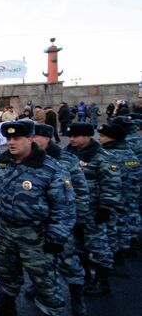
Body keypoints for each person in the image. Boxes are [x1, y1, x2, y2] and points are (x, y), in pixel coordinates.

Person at [0, 120, 75, 316]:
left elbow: (64, 206)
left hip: (37, 236)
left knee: (45, 284)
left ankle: (53, 310)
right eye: (8, 138)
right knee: (6, 278)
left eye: (17, 138)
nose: (11, 142)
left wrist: (56, 237)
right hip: (4, 232)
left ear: (31, 138)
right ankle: (8, 307)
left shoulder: (50, 168)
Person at [31, 123, 89, 315]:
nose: (31, 141)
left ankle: (77, 299)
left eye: (35, 137)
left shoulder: (67, 160)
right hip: (38, 223)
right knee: (41, 263)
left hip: (62, 222)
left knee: (69, 262)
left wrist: (79, 219)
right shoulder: (28, 158)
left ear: (47, 138)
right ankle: (42, 291)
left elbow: (80, 190)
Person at [65, 122, 121, 296]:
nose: (72, 139)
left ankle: (102, 281)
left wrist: (105, 208)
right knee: (77, 246)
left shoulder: (103, 156)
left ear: (88, 137)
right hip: (73, 209)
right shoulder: (68, 154)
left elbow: (111, 184)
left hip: (93, 210)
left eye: (76, 136)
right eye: (71, 136)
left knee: (98, 246)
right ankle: (86, 277)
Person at [97, 123, 140, 269]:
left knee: (116, 223)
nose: (99, 138)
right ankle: (131, 243)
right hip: (131, 192)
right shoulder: (129, 153)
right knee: (130, 216)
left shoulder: (111, 155)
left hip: (117, 195)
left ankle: (118, 253)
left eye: (102, 136)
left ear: (112, 138)